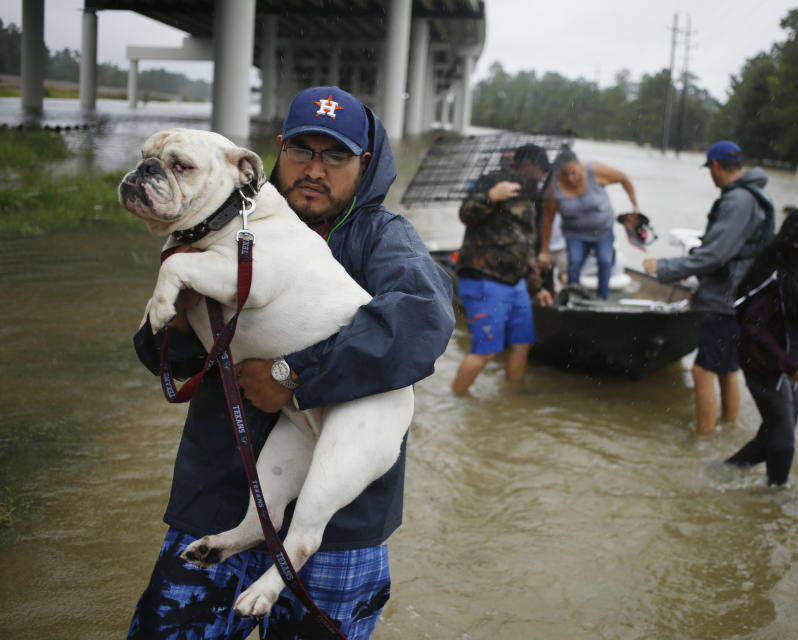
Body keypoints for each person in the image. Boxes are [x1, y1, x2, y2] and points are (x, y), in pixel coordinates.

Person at [127, 86, 456, 639]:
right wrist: (181, 324)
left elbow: (421, 326)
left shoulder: (385, 239)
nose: (314, 169)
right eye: (302, 150)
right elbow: (162, 354)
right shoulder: (211, 218)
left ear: (364, 164)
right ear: (277, 151)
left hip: (341, 527)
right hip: (216, 495)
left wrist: (294, 374)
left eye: (335, 156)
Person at [643, 140, 774, 436]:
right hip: (742, 298)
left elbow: (716, 254)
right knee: (728, 371)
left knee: (703, 371)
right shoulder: (755, 195)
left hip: (724, 300)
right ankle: (728, 432)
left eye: (709, 170)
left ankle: (702, 442)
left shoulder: (737, 200)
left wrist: (665, 268)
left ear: (715, 166)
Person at [724, 206, 798, 486]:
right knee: (784, 438)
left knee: (772, 435)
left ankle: (722, 472)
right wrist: (789, 365)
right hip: (764, 364)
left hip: (789, 363)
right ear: (797, 241)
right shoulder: (776, 278)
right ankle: (776, 502)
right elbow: (752, 327)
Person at [451, 143, 554, 395]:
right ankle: (455, 400)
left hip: (515, 282)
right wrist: (491, 197)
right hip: (484, 279)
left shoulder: (528, 197)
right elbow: (466, 214)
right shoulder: (492, 182)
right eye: (540, 172)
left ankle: (510, 399)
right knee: (486, 351)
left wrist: (536, 287)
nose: (541, 178)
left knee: (522, 343)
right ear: (528, 167)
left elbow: (526, 246)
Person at [537, 148, 640, 300]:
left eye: (573, 172)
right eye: (565, 174)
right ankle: (572, 298)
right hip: (575, 234)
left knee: (605, 261)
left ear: (579, 166)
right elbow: (548, 220)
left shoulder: (593, 169)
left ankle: (602, 298)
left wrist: (635, 206)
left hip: (602, 231)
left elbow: (623, 178)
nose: (570, 178)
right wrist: (544, 250)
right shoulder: (555, 187)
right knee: (574, 262)